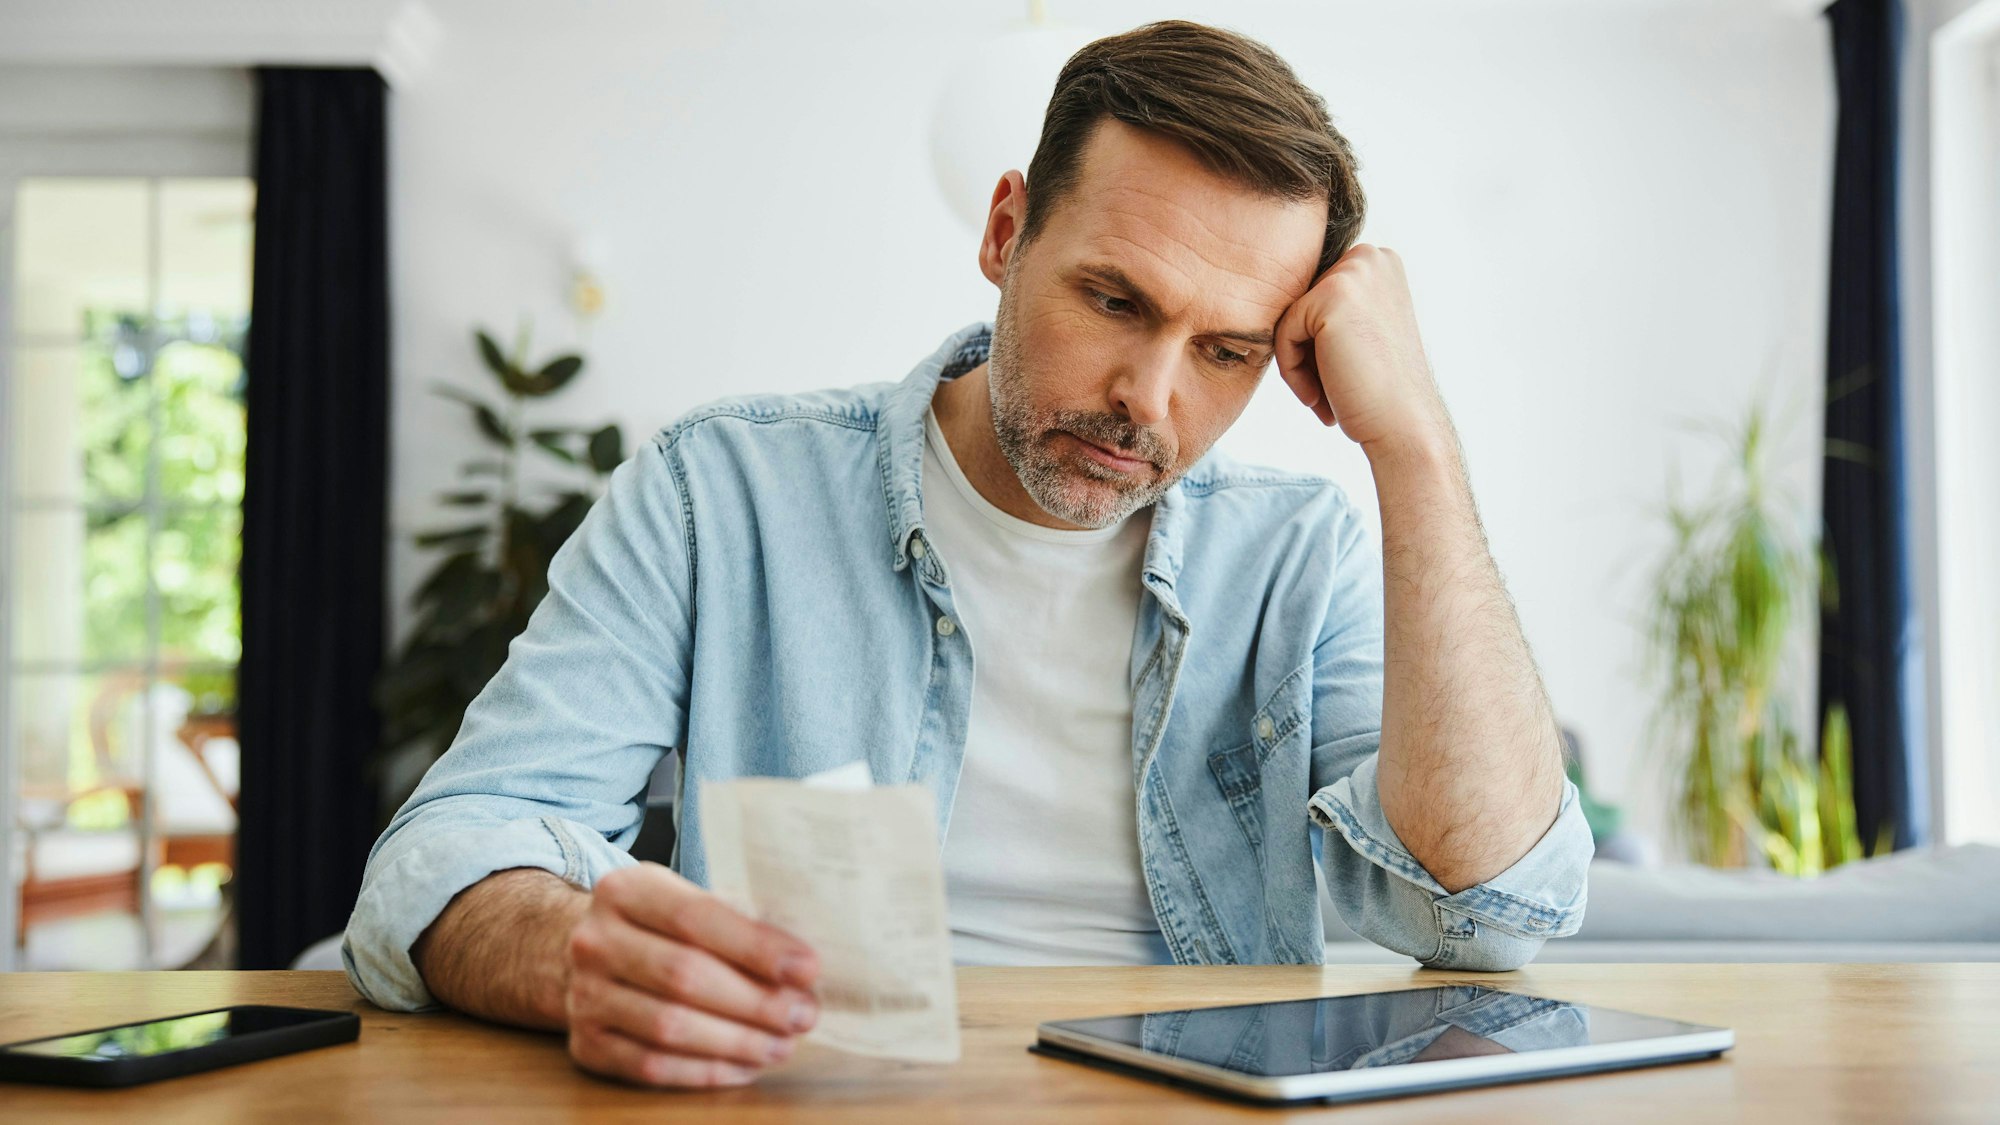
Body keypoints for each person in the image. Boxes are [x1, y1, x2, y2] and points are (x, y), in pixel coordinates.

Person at [342, 18, 1592, 1089]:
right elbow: (450, 850)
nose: (1146, 403)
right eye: (1114, 301)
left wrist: (1414, 447)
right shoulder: (719, 493)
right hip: (811, 1095)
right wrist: (575, 957)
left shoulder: (1296, 557)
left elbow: (1486, 917)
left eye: (1228, 353)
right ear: (1006, 231)